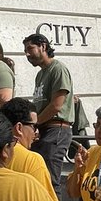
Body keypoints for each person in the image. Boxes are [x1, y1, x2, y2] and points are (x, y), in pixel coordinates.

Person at [23, 32, 74, 192]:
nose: (27, 54)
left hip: (56, 129)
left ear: (43, 46)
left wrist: (34, 123)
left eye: (30, 48)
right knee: (39, 181)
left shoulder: (58, 69)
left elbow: (56, 105)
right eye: (25, 50)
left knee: (50, 184)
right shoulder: (40, 74)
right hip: (42, 130)